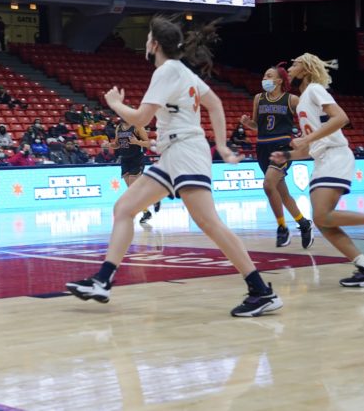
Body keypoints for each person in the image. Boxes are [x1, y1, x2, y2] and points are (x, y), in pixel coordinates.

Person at [67, 16, 283, 317]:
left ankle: (261, 290)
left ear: (155, 43)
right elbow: (216, 104)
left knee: (209, 222)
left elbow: (141, 119)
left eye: (147, 38)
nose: (145, 42)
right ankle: (102, 280)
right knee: (124, 208)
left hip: (185, 150)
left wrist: (115, 103)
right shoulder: (180, 71)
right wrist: (220, 145)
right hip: (173, 153)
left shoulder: (167, 70)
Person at [266, 54, 364, 290]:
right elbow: (312, 148)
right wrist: (289, 156)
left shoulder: (314, 89)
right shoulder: (304, 98)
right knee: (324, 222)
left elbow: (341, 118)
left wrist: (307, 138)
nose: (291, 67)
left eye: (295, 63)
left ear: (306, 68)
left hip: (335, 155)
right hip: (323, 158)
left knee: (322, 216)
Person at [240, 64, 314, 248]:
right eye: (264, 75)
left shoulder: (292, 100)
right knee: (283, 193)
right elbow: (258, 125)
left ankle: (282, 228)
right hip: (262, 147)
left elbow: (308, 116)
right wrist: (247, 123)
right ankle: (304, 224)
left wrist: (305, 138)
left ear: (279, 80)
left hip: (281, 147)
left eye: (269, 75)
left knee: (267, 185)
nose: (264, 78)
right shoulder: (259, 98)